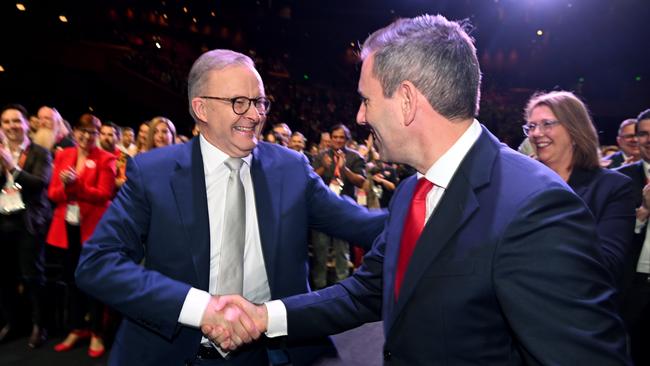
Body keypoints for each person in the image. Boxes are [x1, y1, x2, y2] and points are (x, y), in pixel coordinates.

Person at [205, 15, 630, 365]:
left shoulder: (535, 206)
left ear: (406, 100)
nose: (359, 115)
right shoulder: (412, 193)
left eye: (367, 99)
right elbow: (366, 291)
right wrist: (264, 316)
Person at [74, 49, 385, 366]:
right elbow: (98, 263)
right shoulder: (154, 173)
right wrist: (202, 308)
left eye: (260, 102)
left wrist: (429, 198)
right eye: (239, 102)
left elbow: (363, 225)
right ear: (202, 108)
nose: (255, 114)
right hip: (177, 349)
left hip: (270, 352)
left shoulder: (291, 169)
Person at [523, 91, 635, 290]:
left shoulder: (614, 187)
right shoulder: (522, 183)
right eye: (531, 126)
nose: (536, 133)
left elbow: (607, 265)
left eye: (547, 124)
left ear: (575, 129)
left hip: (578, 306)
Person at [46, 114, 116, 358]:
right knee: (71, 281)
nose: (86, 136)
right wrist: (66, 187)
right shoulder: (63, 155)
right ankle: (77, 328)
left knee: (93, 283)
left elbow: (104, 194)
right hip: (66, 228)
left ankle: (97, 332)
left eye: (92, 132)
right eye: (82, 131)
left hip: (92, 230)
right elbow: (53, 193)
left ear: (98, 135)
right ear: (74, 131)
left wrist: (77, 186)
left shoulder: (106, 158)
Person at [0, 104, 51, 348]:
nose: (12, 126)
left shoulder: (39, 152)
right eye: (6, 122)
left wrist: (12, 167)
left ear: (26, 124)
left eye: (16, 121)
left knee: (33, 277)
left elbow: (40, 184)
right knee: (5, 277)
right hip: (3, 221)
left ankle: (39, 325)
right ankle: (13, 322)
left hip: (29, 223)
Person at [616, 108, 650, 366]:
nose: (648, 139)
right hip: (636, 285)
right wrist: (643, 214)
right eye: (643, 134)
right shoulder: (622, 179)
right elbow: (613, 238)